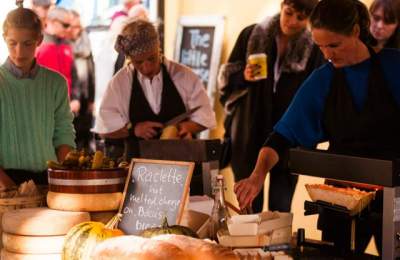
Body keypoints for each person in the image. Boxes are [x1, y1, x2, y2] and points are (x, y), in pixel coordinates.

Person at [235, 0, 400, 255]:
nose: (327, 54)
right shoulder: (322, 80)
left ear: (356, 32)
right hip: (340, 197)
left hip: (395, 193)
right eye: (320, 46)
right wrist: (257, 176)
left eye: (334, 45)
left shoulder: (394, 67)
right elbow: (281, 137)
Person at [218, 0, 323, 213]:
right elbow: (226, 80)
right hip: (248, 132)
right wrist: (243, 76)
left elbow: (316, 96)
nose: (292, 22)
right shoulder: (251, 35)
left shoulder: (313, 49)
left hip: (288, 139)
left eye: (300, 18)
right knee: (247, 207)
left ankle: (278, 247)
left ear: (309, 19)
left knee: (280, 209)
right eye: (289, 13)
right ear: (282, 5)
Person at [93, 20, 216, 159]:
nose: (147, 67)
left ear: (158, 47)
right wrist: (133, 130)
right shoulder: (119, 84)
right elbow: (104, 130)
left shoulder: (184, 76)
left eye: (152, 58)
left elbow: (205, 117)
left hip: (181, 166)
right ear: (129, 59)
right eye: (139, 62)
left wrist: (183, 128)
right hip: (137, 168)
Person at [0, 6, 75, 188]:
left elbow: (64, 133)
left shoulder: (56, 83)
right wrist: (8, 187)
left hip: (48, 179)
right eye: (12, 43)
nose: (19, 52)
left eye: (27, 43)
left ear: (39, 40)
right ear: (4, 39)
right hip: (4, 182)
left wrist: (62, 178)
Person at [68, 10, 96, 151]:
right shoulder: (66, 46)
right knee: (74, 136)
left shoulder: (86, 43)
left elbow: (91, 71)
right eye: (73, 26)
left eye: (79, 27)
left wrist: (92, 98)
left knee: (86, 134)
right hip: (73, 97)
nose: (76, 30)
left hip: (85, 95)